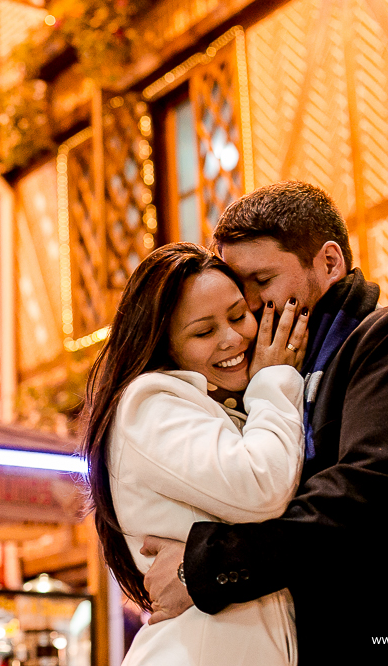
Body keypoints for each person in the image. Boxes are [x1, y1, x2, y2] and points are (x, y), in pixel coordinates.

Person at [140, 182, 388, 665]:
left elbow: (371, 496)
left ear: (329, 262)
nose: (250, 308)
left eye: (262, 281)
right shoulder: (278, 378)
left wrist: (204, 567)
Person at [83, 242, 309, 665]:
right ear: (167, 348)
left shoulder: (217, 406)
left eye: (239, 315)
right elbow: (261, 485)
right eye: (203, 332)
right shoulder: (148, 404)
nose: (233, 338)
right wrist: (275, 377)